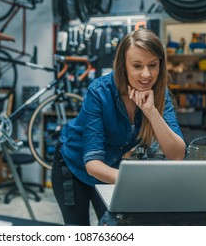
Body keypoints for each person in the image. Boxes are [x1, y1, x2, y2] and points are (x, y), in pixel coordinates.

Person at [51, 28, 186, 226]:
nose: (146, 74)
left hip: (110, 167)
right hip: (73, 165)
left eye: (153, 65)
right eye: (137, 66)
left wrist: (151, 111)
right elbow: (92, 164)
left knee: (113, 228)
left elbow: (177, 154)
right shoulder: (99, 91)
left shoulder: (159, 93)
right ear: (123, 66)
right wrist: (135, 182)